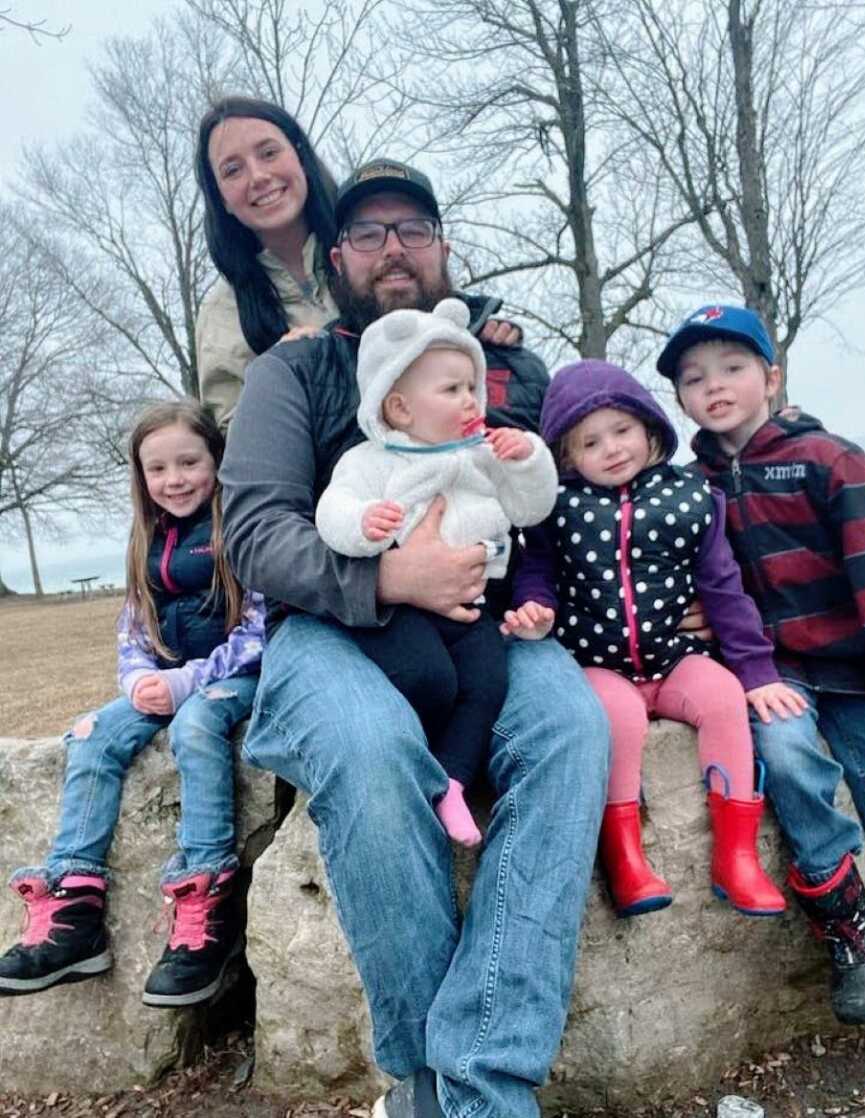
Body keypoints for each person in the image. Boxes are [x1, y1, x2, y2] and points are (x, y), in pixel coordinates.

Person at [218, 157, 609, 1118]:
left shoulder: (505, 369)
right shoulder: (295, 370)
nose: (393, 248)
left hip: (489, 622)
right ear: (334, 255)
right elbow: (255, 531)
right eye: (367, 233)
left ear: (444, 249)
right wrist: (384, 574)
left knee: (570, 731)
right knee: (367, 747)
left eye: (415, 229)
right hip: (333, 632)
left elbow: (556, 507)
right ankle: (430, 1087)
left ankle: (474, 1085)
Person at [657, 303, 865, 1026]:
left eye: (733, 368)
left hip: (857, 669)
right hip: (771, 670)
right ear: (680, 399)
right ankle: (849, 919)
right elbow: (677, 575)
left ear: (771, 374)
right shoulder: (688, 485)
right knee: (787, 757)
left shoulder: (828, 459)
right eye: (695, 378)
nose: (716, 386)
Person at [504, 359, 803, 918]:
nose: (612, 448)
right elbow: (537, 570)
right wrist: (534, 608)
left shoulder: (689, 498)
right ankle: (625, 857)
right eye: (591, 442)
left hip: (674, 657)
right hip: (598, 662)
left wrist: (757, 672)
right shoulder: (557, 510)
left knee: (721, 698)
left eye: (623, 431)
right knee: (617, 719)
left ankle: (736, 856)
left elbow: (723, 588)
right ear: (566, 456)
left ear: (649, 429)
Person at [0, 399, 265, 1009]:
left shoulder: (239, 527)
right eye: (157, 469)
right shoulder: (144, 539)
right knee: (91, 734)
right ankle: (74, 909)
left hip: (235, 682)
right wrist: (139, 678)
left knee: (195, 726)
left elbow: (261, 634)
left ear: (216, 461)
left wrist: (185, 683)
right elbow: (133, 626)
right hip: (166, 681)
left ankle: (205, 904)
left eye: (189, 462)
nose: (174, 480)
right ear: (140, 477)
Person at [316, 297, 558, 846]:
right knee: (429, 676)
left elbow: (530, 507)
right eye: (451, 390)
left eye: (472, 387)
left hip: (471, 606)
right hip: (401, 608)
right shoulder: (371, 460)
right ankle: (415, 761)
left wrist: (526, 460)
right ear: (399, 408)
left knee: (488, 678)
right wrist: (362, 522)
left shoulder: (484, 454)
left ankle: (451, 779)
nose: (470, 400)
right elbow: (333, 510)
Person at [195, 97, 522, 431]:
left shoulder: (371, 247)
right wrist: (279, 376)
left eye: (268, 153)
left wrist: (478, 328)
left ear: (300, 157)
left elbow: (429, 309)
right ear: (221, 198)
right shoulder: (223, 313)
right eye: (232, 170)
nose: (259, 176)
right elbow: (230, 439)